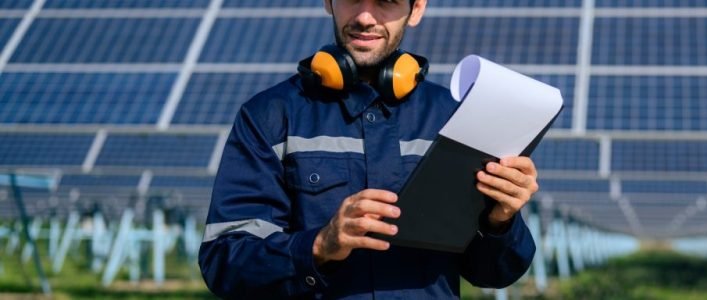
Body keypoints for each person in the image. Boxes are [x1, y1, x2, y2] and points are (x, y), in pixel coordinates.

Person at [198, 0, 539, 298]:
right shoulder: (269, 117)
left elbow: (494, 273)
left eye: (386, 1)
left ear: (416, 8)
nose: (365, 16)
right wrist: (319, 246)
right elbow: (225, 262)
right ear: (328, 1)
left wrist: (499, 221)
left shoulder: (456, 119)